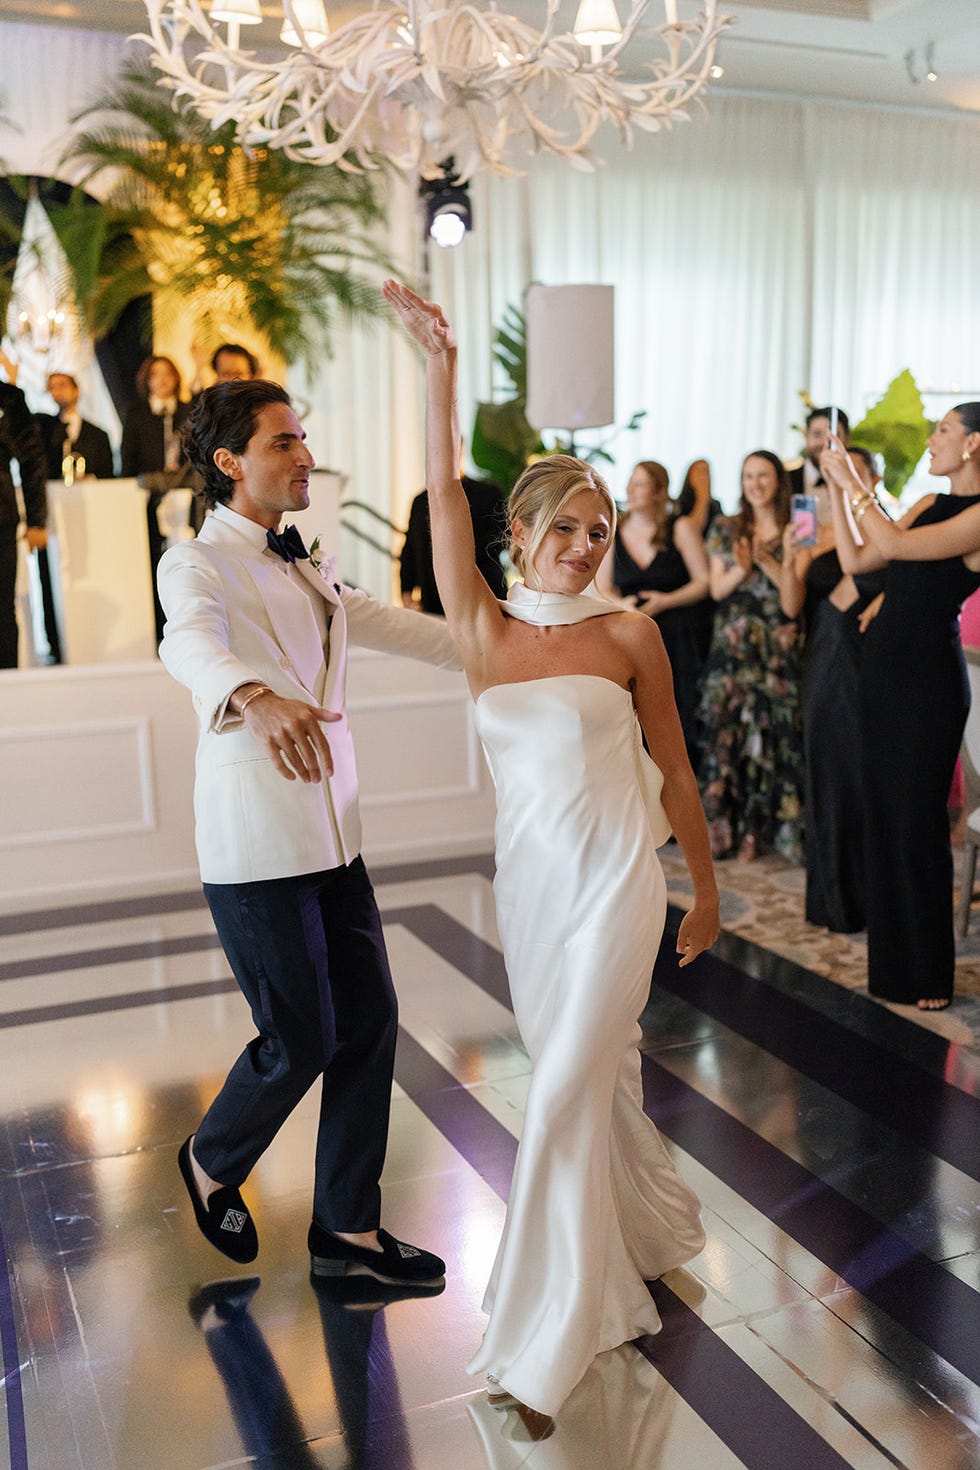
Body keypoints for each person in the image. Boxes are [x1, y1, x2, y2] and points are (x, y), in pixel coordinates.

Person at [384, 278, 718, 1423]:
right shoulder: (479, 631)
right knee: (582, 1083)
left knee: (566, 1089)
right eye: (561, 529)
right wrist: (437, 365)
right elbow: (439, 489)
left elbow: (674, 772)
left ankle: (544, 1343)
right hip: (529, 897)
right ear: (516, 535)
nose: (582, 547)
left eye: (596, 529)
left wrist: (702, 893)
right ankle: (644, 1231)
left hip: (621, 888)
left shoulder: (630, 635)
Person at [157, 377, 460, 1283]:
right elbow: (186, 643)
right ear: (229, 463)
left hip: (336, 836)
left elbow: (399, 628)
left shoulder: (309, 562)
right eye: (284, 442)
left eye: (302, 439)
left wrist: (522, 642)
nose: (305, 456)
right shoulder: (195, 563)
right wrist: (251, 696)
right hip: (256, 846)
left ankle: (347, 1231)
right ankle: (213, 1158)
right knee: (299, 1035)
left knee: (370, 1023)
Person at [822, 403, 980, 1010]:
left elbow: (891, 539)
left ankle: (931, 974)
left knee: (917, 824)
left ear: (972, 444)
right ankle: (893, 971)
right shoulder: (926, 504)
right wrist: (840, 488)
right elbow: (862, 559)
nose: (932, 440)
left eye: (943, 429)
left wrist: (854, 481)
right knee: (884, 819)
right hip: (883, 678)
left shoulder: (975, 516)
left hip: (928, 687)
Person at [781, 446, 885, 932]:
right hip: (823, 653)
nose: (838, 479)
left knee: (864, 773)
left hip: (871, 659)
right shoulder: (807, 521)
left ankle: (868, 898)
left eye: (852, 472)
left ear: (874, 478)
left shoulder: (890, 526)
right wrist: (786, 557)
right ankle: (830, 900)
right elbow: (790, 602)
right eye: (830, 474)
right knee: (826, 770)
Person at [697, 450, 805, 863]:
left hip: (776, 649)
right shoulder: (727, 528)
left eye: (763, 475)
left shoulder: (799, 529)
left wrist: (771, 562)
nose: (755, 483)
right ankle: (736, 832)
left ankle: (770, 833)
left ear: (778, 480)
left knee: (774, 740)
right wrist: (744, 569)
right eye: (747, 476)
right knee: (730, 740)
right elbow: (716, 590)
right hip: (733, 649)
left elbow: (793, 603)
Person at [595, 460, 710, 765]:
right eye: (630, 482)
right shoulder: (613, 529)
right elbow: (604, 587)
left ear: (660, 492)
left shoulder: (680, 527)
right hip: (632, 637)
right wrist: (625, 607)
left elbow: (704, 582)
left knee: (682, 714)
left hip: (679, 637)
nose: (630, 489)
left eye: (641, 484)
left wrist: (665, 601)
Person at [121, 354, 195, 644]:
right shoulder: (137, 413)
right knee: (155, 560)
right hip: (150, 500)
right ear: (146, 380)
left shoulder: (189, 411)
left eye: (168, 373)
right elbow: (128, 458)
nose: (162, 379)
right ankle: (159, 629)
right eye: (156, 374)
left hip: (187, 499)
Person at [400, 475, 508, 613]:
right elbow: (410, 550)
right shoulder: (420, 502)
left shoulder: (487, 493)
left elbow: (499, 541)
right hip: (434, 601)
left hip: (484, 599)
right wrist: (406, 592)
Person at [0, 378, 48, 669]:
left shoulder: (8, 399)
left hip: (1, 519)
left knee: (2, 609)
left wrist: (36, 521)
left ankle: (7, 688)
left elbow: (32, 460)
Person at [37, 371, 115, 481]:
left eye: (62, 385)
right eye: (52, 387)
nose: (57, 391)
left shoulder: (98, 435)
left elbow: (107, 475)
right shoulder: (45, 429)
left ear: (76, 390)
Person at [788, 406, 850, 528]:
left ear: (847, 440)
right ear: (806, 439)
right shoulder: (786, 480)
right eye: (817, 435)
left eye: (833, 436)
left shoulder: (857, 480)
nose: (824, 443)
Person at [675, 458, 723, 538]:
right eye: (700, 472)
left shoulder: (715, 504)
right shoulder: (679, 504)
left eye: (707, 472)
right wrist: (702, 498)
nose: (704, 477)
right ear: (690, 477)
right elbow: (690, 533)